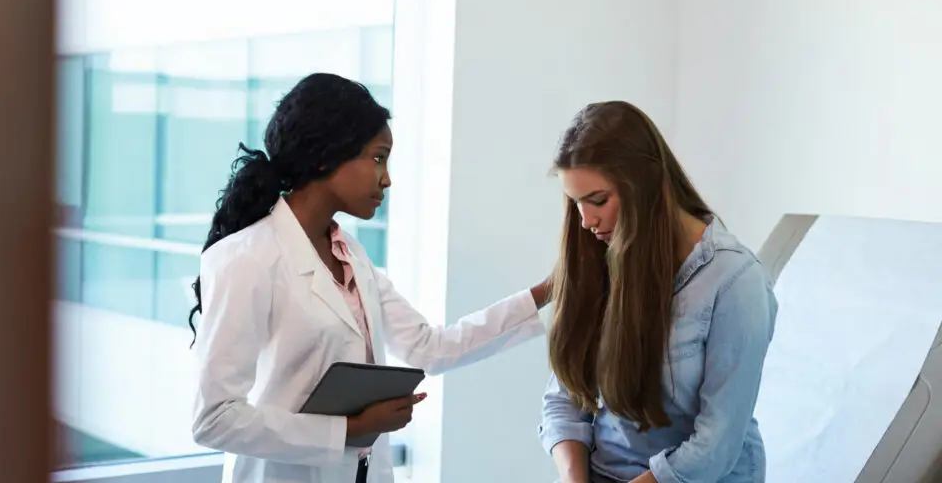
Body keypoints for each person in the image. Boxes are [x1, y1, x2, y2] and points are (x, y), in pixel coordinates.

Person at [189, 73, 551, 483]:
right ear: (326, 156)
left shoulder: (351, 255)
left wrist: (547, 291)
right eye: (378, 158)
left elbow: (430, 347)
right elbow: (214, 418)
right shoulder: (248, 259)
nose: (387, 178)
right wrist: (348, 430)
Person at [538, 101, 778, 483]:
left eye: (598, 200)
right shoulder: (596, 256)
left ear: (645, 185)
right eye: (576, 203)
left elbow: (714, 447)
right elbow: (564, 402)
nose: (586, 221)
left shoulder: (734, 281)